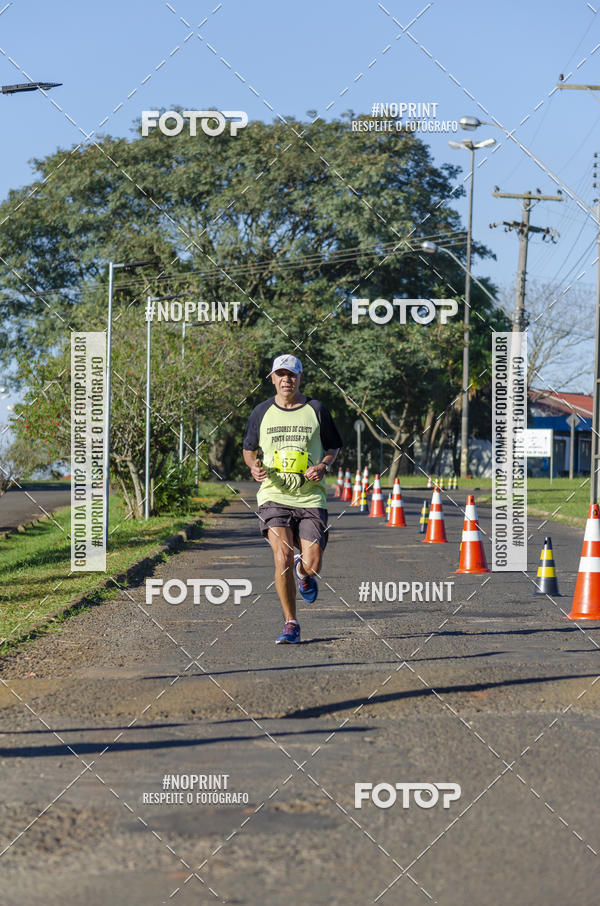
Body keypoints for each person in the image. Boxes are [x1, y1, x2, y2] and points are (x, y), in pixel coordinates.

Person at [243, 354, 342, 643]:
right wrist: (253, 466)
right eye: (281, 375)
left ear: (300, 378)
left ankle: (303, 572)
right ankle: (291, 622)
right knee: (282, 555)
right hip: (273, 495)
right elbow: (249, 448)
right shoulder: (261, 412)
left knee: (312, 563)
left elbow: (333, 446)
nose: (286, 380)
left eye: (292, 375)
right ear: (272, 378)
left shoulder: (316, 409)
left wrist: (323, 465)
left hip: (310, 497)